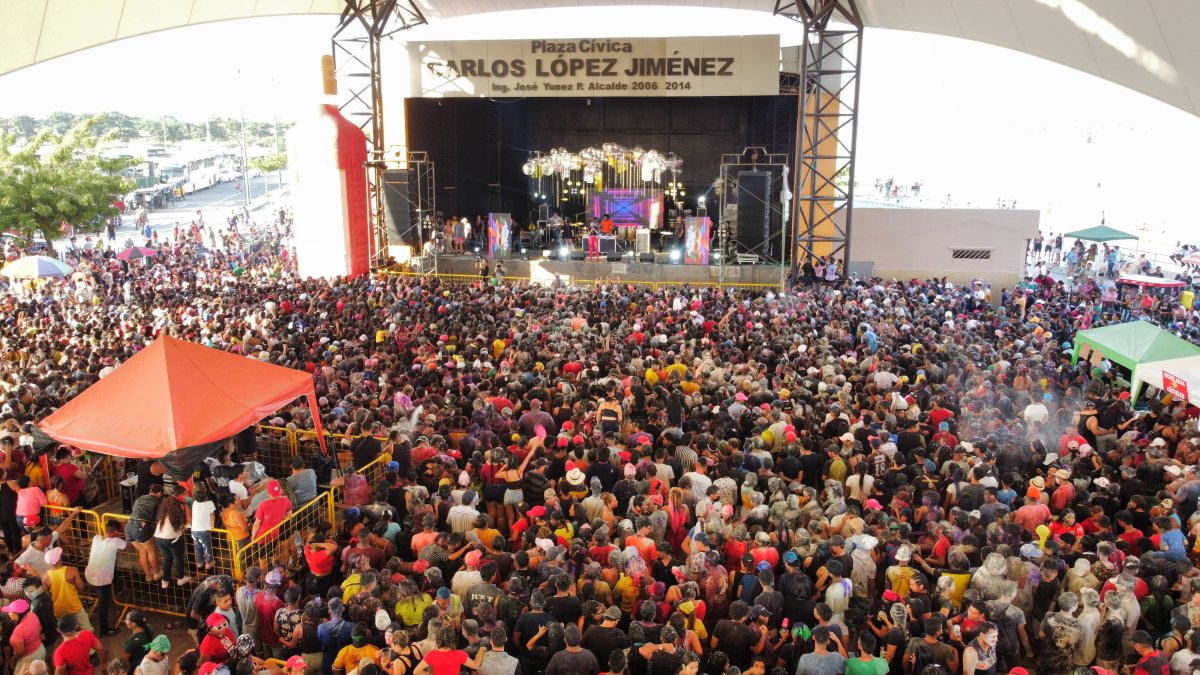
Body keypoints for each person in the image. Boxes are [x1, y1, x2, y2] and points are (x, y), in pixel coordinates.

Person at [84, 519, 127, 636]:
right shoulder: (116, 542)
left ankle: (117, 591)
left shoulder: (96, 538)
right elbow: (127, 544)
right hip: (103, 579)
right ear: (115, 533)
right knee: (104, 605)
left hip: (90, 575)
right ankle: (104, 630)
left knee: (103, 592)